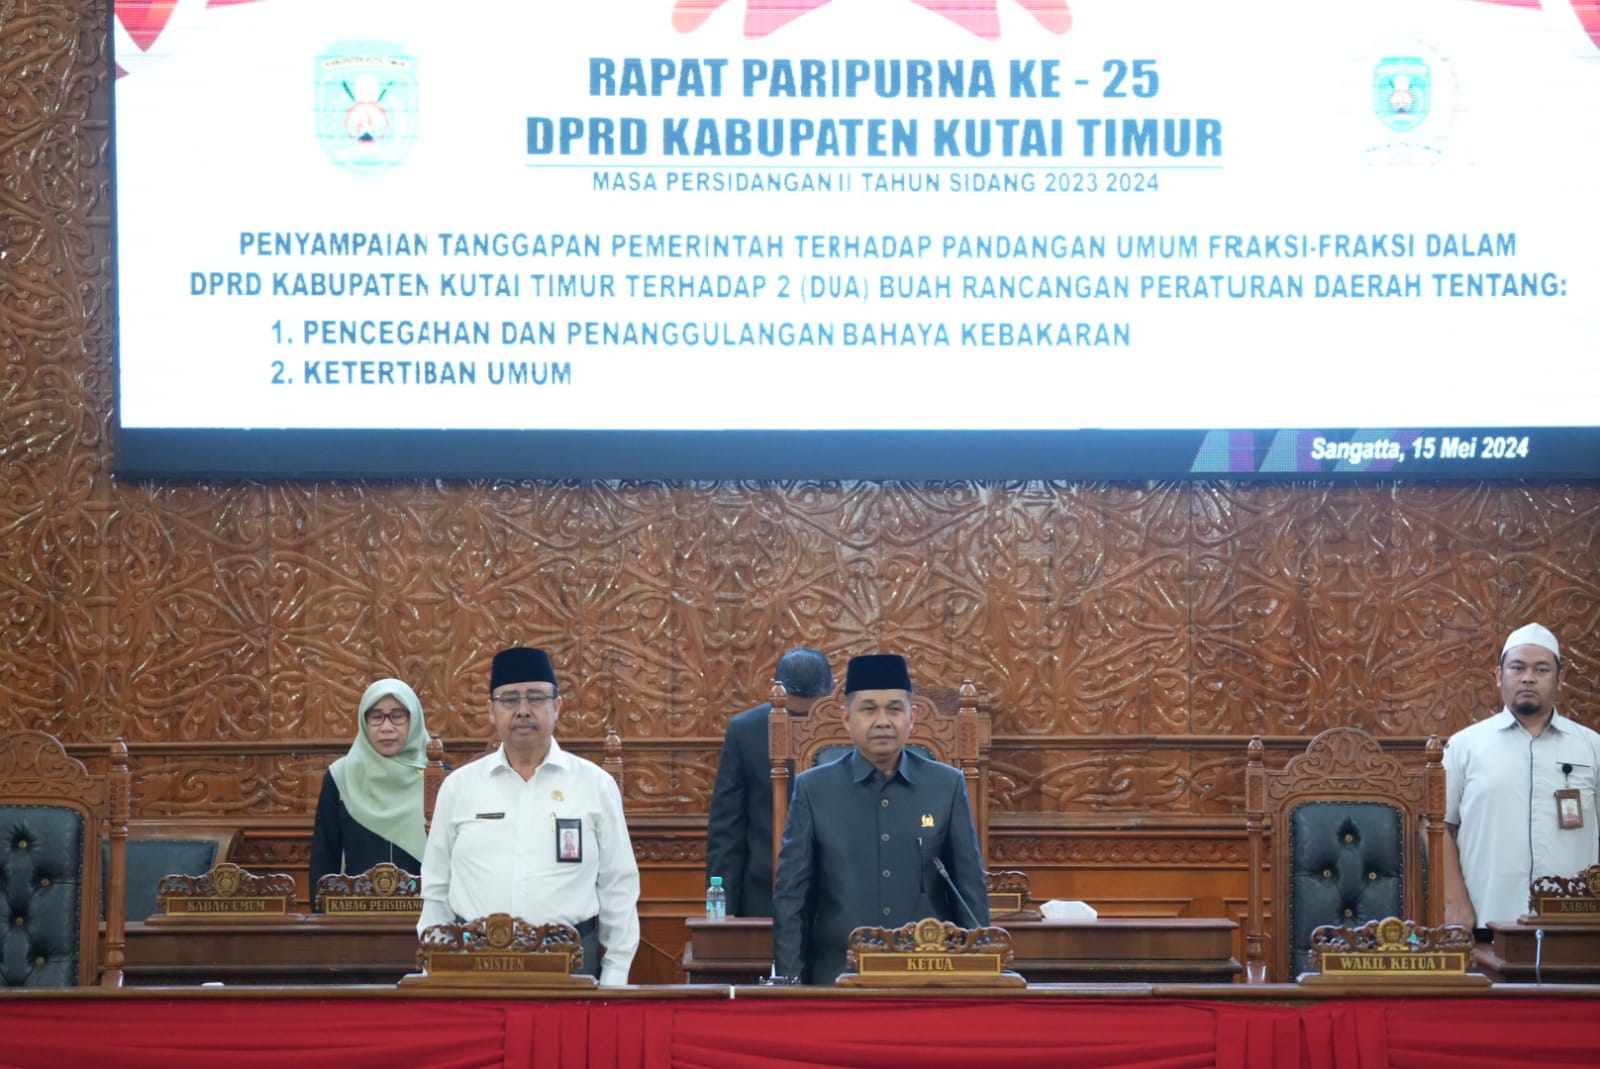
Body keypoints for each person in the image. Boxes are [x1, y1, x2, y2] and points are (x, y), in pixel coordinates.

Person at [418, 646, 640, 985]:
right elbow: (436, 887)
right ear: (491, 710)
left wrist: (615, 974)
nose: (523, 710)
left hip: (571, 964)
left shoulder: (595, 785)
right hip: (475, 967)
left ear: (557, 707)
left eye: (536, 698)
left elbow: (618, 885)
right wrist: (435, 968)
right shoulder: (459, 788)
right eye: (509, 700)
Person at [771, 653, 988, 984]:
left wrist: (980, 975)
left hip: (928, 976)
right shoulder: (814, 790)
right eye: (869, 709)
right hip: (838, 977)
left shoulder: (946, 785)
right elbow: (792, 898)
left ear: (912, 717)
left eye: (895, 709)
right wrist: (789, 983)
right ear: (846, 717)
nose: (883, 721)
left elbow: (969, 890)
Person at [1442, 623, 1600, 933]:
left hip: (1575, 925)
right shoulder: (1464, 746)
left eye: (1541, 669)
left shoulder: (1592, 747)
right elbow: (1436, 827)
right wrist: (1453, 900)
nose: (1528, 677)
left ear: (1560, 678)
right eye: (1518, 667)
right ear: (1500, 676)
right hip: (1487, 914)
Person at [705, 647, 834, 917]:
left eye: (809, 715)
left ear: (832, 692)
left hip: (834, 896)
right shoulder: (746, 729)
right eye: (792, 713)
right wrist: (722, 913)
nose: (801, 724)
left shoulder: (847, 728)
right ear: (774, 690)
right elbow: (728, 827)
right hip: (763, 894)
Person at [309, 678, 430, 900]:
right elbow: (324, 855)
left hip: (424, 916)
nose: (386, 727)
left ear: (413, 719)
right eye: (376, 717)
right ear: (364, 722)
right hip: (356, 916)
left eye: (397, 716)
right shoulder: (341, 776)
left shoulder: (436, 774)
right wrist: (322, 922)